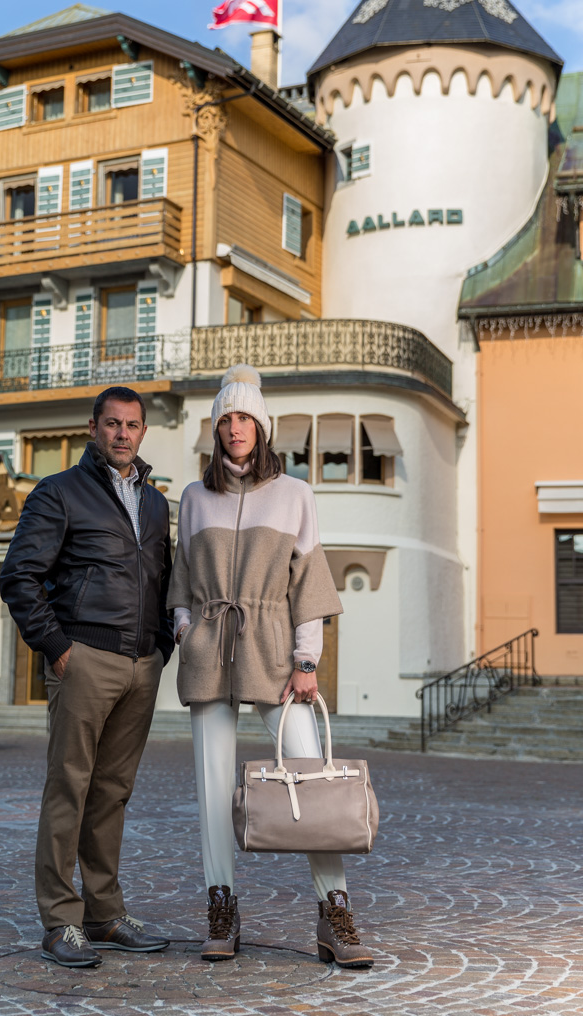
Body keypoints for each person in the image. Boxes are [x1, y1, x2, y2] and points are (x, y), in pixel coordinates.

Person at [168, 365, 375, 969]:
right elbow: (179, 574)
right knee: (211, 786)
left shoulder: (296, 494)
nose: (235, 428)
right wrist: (184, 624)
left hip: (277, 650)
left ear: (262, 427)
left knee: (309, 774)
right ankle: (221, 905)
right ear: (216, 429)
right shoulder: (193, 497)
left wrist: (307, 660)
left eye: (245, 419)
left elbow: (308, 581)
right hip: (210, 646)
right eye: (226, 419)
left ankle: (334, 909)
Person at [0, 386, 174, 969]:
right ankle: (60, 920)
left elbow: (163, 580)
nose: (122, 434)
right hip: (84, 657)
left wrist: (161, 647)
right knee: (68, 788)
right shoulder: (59, 493)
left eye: (132, 425)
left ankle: (103, 913)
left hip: (141, 664)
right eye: (112, 424)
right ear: (92, 428)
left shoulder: (154, 505)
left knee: (112, 793)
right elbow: (20, 575)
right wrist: (57, 648)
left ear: (143, 432)